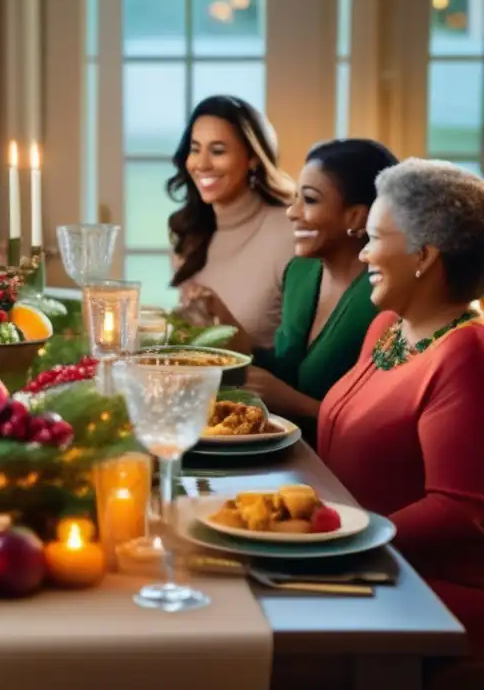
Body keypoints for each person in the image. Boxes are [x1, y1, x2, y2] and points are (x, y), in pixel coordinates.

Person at [319, 159, 484, 658]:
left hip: (423, 589)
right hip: (360, 563)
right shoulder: (388, 327)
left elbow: (461, 512)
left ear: (424, 255)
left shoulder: (466, 354)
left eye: (373, 237)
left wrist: (337, 540)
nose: (363, 252)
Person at [192, 139, 396, 437]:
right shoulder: (301, 272)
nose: (292, 213)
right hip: (283, 449)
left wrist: (295, 403)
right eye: (295, 199)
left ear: (357, 217)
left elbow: (381, 427)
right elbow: (287, 368)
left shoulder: (384, 295)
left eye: (310, 200)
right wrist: (225, 323)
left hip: (337, 468)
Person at [170, 95, 296, 350]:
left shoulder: (290, 231)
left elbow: (298, 358)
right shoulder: (187, 229)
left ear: (252, 158)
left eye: (218, 151)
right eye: (195, 149)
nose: (202, 164)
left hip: (258, 387)